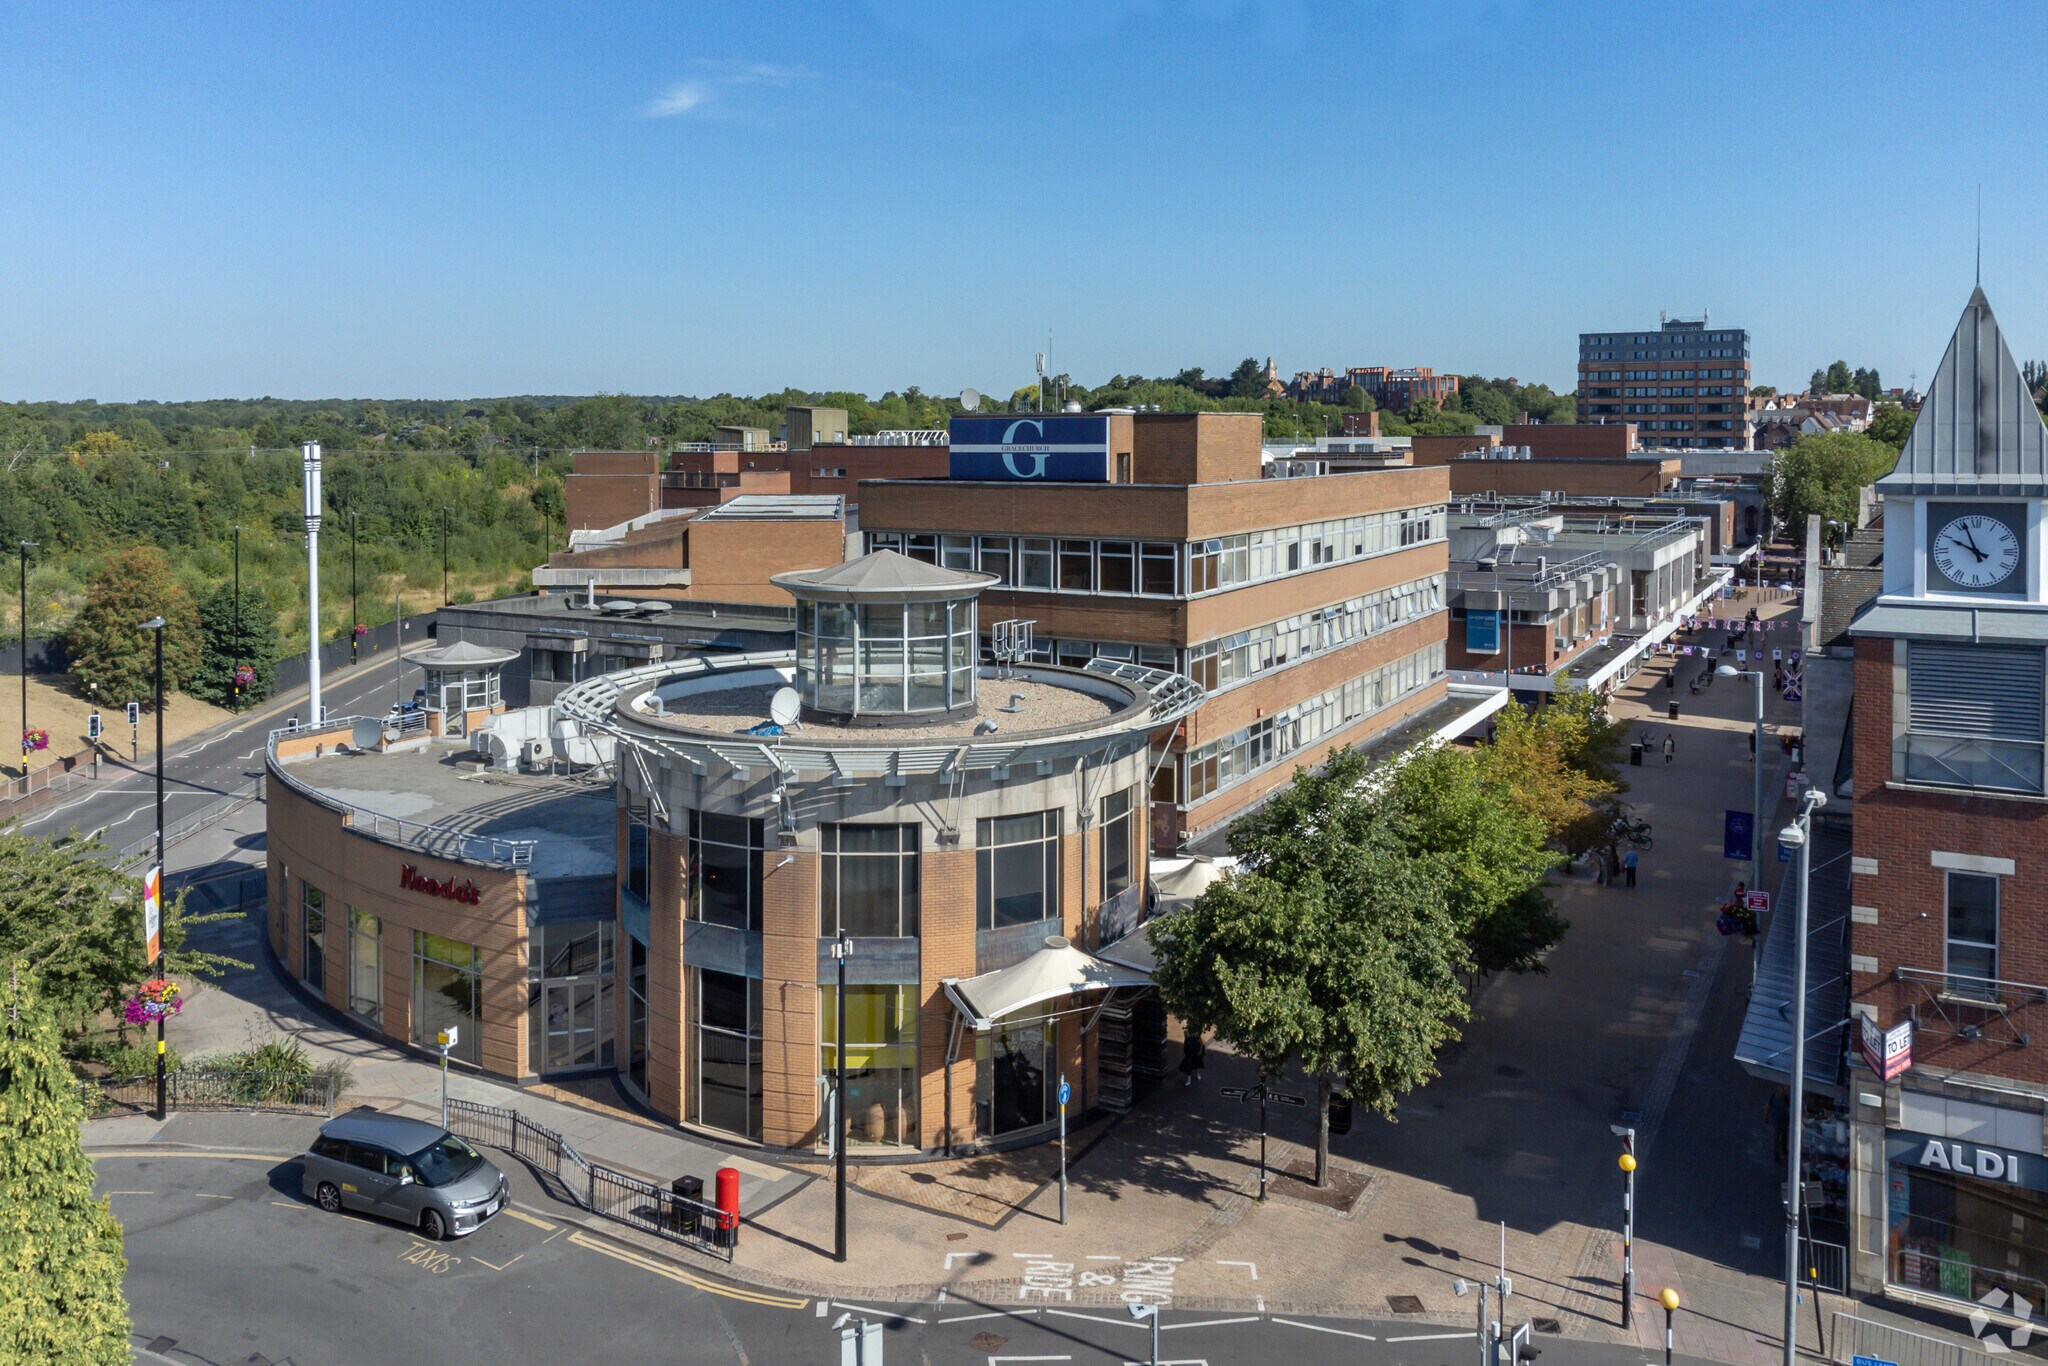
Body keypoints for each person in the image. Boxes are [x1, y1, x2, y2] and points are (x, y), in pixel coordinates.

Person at [1766, 1086, 1791, 1161]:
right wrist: (1766, 1117)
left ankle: (1783, 1149)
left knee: (1784, 1136)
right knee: (1776, 1138)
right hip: (1776, 1121)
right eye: (1783, 1092)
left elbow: (1789, 1108)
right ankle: (1776, 1154)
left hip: (1785, 1120)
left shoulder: (1787, 1098)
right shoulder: (1773, 1097)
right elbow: (1768, 1107)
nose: (1784, 1093)